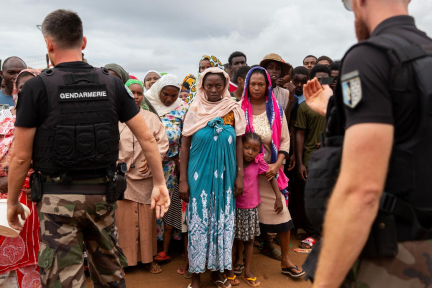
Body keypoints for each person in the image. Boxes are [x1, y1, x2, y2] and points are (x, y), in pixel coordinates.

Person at [6, 9, 170, 288]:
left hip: (56, 201)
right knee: (109, 274)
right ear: (83, 43)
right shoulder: (112, 83)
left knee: (62, 279)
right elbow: (147, 138)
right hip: (102, 197)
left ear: (48, 44)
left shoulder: (35, 88)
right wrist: (159, 183)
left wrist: (11, 202)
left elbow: (21, 156)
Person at [302, 0, 432, 287]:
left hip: (393, 257)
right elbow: (412, 131)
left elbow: (362, 191)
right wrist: (334, 109)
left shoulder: (370, 57)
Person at [179, 67, 246, 288]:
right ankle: (196, 275)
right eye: (209, 85)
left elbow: (238, 143)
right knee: (199, 222)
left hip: (226, 176)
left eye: (219, 85)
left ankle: (217, 273)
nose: (214, 90)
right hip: (198, 175)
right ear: (202, 86)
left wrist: (239, 176)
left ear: (225, 86)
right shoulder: (194, 109)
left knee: (222, 222)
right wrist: (183, 180)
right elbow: (185, 145)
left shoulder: (233, 109)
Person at [241, 67, 305, 278]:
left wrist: (277, 165)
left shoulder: (275, 109)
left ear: (267, 86)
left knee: (282, 216)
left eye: (261, 84)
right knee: (241, 218)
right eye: (253, 84)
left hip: (270, 175)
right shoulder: (239, 109)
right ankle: (238, 260)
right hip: (247, 175)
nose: (257, 88)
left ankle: (286, 261)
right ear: (246, 86)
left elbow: (285, 139)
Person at [116, 79, 168, 274]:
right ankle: (125, 260)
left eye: (139, 93)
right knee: (123, 222)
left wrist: (152, 158)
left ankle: (147, 259)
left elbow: (161, 142)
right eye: (132, 93)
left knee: (147, 222)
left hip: (146, 179)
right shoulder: (115, 117)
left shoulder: (152, 118)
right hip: (123, 179)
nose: (135, 97)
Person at [0, 69, 42, 288]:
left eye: (33, 86)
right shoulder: (4, 122)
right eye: (22, 87)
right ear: (15, 90)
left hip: (37, 200)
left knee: (34, 261)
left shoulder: (49, 123)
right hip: (4, 200)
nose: (27, 91)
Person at [144, 75, 189, 269]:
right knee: (148, 204)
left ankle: (166, 246)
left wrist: (179, 160)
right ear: (158, 90)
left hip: (171, 166)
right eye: (165, 94)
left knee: (167, 204)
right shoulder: (146, 105)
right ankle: (147, 246)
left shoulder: (182, 109)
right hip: (147, 166)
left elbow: (185, 137)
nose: (169, 99)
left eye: (174, 95)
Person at [233, 132, 284, 287]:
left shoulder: (258, 163)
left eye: (254, 149)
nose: (250, 152)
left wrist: (278, 197)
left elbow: (271, 176)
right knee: (235, 238)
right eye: (247, 147)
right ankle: (238, 261)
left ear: (259, 151)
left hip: (250, 208)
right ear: (240, 146)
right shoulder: (234, 161)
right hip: (233, 207)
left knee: (249, 240)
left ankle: (247, 271)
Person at [294, 65, 328, 250]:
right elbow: (299, 134)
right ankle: (313, 234)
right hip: (310, 159)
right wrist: (300, 163)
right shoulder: (304, 107)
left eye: (325, 78)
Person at [259, 53, 293, 121]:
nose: (274, 71)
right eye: (270, 68)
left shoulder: (285, 93)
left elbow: (286, 120)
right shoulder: (257, 90)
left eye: (277, 69)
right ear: (264, 70)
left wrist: (290, 100)